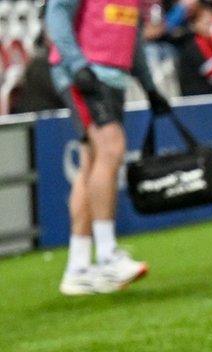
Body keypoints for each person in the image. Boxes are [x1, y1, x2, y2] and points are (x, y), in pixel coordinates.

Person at [46, 0, 173, 295]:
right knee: (112, 149)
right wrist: (77, 65)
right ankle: (107, 256)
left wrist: (150, 87)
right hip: (87, 72)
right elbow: (57, 13)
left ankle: (78, 268)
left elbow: (132, 37)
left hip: (112, 76)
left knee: (91, 162)